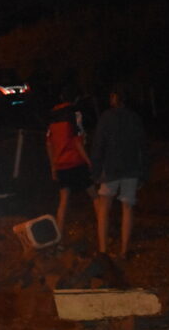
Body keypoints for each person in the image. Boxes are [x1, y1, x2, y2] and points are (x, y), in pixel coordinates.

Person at [91, 85, 147, 259]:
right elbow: (142, 147)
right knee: (127, 207)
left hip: (111, 168)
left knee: (104, 207)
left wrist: (96, 171)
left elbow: (99, 145)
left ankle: (103, 250)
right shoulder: (135, 118)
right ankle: (124, 250)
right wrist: (143, 173)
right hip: (131, 169)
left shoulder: (106, 117)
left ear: (114, 98)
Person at [45, 88, 93, 235]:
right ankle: (103, 230)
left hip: (61, 163)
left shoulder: (52, 115)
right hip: (76, 161)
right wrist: (89, 161)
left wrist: (53, 166)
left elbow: (49, 143)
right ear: (76, 99)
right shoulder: (75, 113)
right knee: (96, 197)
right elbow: (78, 141)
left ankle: (58, 237)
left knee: (63, 202)